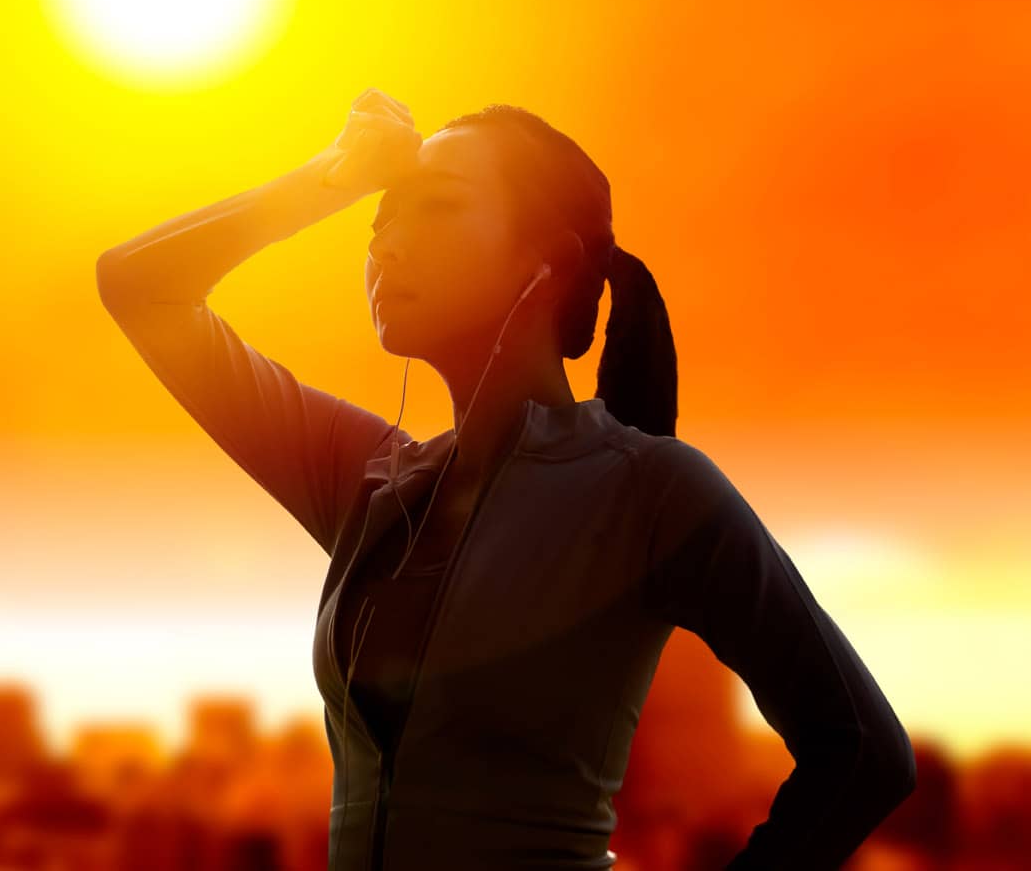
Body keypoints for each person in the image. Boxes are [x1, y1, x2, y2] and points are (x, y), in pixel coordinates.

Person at [95, 89, 916, 870]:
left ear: (545, 262)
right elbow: (139, 287)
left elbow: (862, 750)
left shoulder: (649, 490)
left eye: (437, 206)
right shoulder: (368, 481)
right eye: (379, 221)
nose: (385, 243)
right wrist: (331, 177)